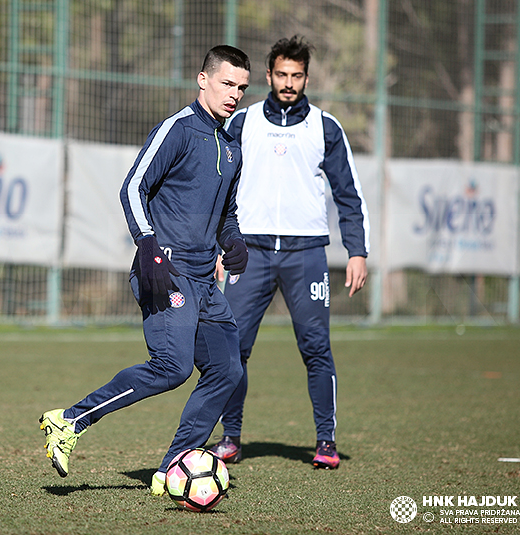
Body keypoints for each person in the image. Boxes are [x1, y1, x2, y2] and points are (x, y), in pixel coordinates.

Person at [40, 45, 251, 495]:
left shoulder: (233, 145)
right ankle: (70, 419)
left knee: (228, 370)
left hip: (204, 280)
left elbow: (228, 213)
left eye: (241, 88)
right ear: (203, 79)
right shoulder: (177, 129)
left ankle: (174, 466)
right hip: (165, 271)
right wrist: (148, 245)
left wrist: (233, 242)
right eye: (227, 83)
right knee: (172, 368)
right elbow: (133, 186)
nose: (234, 94)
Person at [209, 36, 370, 470]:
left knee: (316, 348)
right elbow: (220, 187)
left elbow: (348, 194)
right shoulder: (241, 124)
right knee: (233, 347)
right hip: (251, 252)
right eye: (281, 74)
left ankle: (325, 441)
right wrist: (222, 244)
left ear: (305, 78)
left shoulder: (325, 127)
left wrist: (357, 251)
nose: (288, 82)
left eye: (296, 75)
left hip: (306, 255)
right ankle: (230, 437)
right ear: (268, 75)